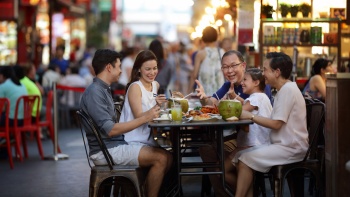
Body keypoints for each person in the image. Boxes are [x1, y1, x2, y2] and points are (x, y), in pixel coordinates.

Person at [79, 49, 172, 197]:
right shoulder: (95, 92)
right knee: (161, 158)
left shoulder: (102, 89)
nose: (121, 71)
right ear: (109, 67)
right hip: (106, 150)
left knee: (168, 157)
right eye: (119, 66)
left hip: (114, 144)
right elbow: (110, 130)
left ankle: (140, 191)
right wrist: (145, 117)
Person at [195, 50, 272, 196]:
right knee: (206, 149)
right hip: (240, 136)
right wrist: (203, 97)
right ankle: (227, 192)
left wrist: (226, 104)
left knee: (216, 154)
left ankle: (240, 191)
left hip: (255, 140)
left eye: (233, 65)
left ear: (243, 65)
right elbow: (211, 103)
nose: (229, 71)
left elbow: (240, 112)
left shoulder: (257, 85)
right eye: (225, 67)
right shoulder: (229, 85)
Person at [235, 52, 308, 197]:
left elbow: (275, 124)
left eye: (265, 70)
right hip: (283, 145)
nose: (263, 74)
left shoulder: (288, 90)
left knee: (244, 159)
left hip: (290, 147)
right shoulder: (285, 89)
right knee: (240, 156)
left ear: (277, 72)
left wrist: (250, 116)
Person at [225, 68, 272, 190]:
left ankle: (245, 192)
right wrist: (234, 96)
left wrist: (223, 106)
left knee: (221, 171)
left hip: (253, 146)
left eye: (245, 80)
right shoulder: (260, 97)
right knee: (222, 170)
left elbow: (239, 111)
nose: (242, 82)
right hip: (253, 144)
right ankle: (247, 192)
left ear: (256, 83)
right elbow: (245, 104)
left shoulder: (257, 98)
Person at [120, 50, 168, 146]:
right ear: (139, 69)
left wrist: (168, 103)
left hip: (149, 137)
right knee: (167, 156)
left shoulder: (155, 85)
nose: (152, 72)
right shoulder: (135, 87)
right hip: (133, 139)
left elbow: (158, 112)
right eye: (148, 69)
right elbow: (139, 116)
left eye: (155, 68)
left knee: (172, 153)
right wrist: (157, 106)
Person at [188, 26, 225, 95]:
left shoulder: (201, 54)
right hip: (219, 90)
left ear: (203, 37)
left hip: (204, 90)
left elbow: (194, 75)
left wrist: (189, 91)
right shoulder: (222, 52)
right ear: (216, 37)